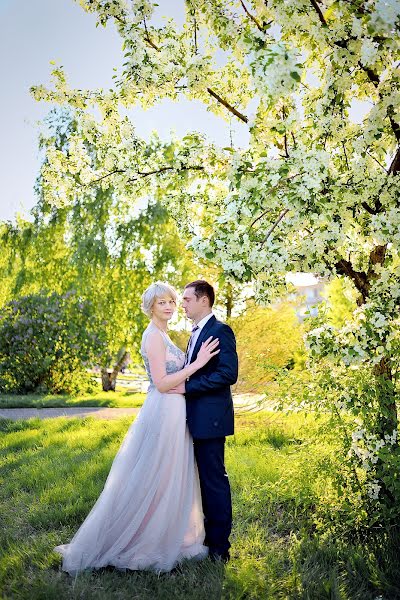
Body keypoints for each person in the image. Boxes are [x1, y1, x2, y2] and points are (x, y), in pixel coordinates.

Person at [55, 281, 219, 575]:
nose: (169, 307)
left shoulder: (165, 334)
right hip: (163, 413)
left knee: (168, 475)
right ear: (150, 308)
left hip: (174, 412)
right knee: (153, 475)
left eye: (171, 302)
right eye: (162, 303)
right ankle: (140, 539)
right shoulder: (153, 337)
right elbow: (162, 383)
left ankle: (165, 533)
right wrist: (199, 364)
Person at [182, 280, 238, 563]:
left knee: (213, 481)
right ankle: (203, 538)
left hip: (211, 420)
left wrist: (189, 388)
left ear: (204, 300)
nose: (183, 304)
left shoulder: (220, 331)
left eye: (187, 299)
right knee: (200, 480)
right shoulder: (194, 333)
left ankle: (219, 548)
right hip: (194, 418)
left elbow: (228, 373)